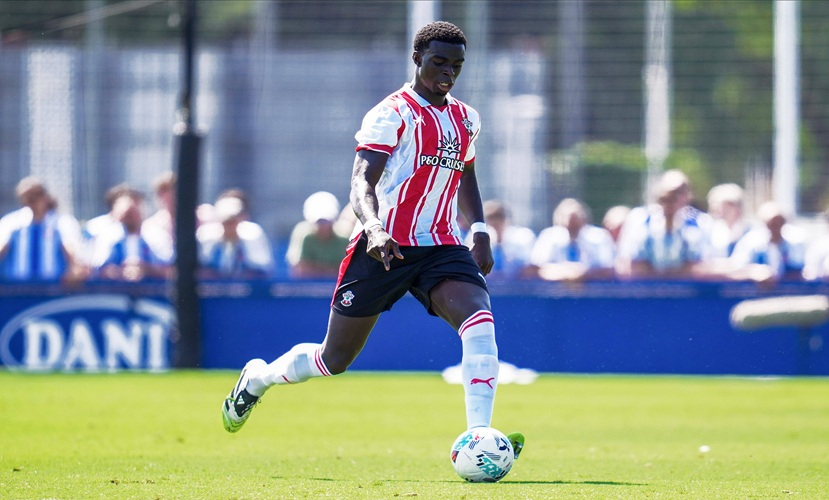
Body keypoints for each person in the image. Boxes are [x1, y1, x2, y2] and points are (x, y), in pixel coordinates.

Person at [221, 21, 524, 459]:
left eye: (456, 65)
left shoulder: (466, 118)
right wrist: (375, 228)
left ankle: (479, 438)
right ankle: (257, 379)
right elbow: (361, 182)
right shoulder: (391, 113)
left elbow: (466, 176)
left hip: (442, 245)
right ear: (417, 58)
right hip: (383, 247)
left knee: (480, 322)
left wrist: (478, 231)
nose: (448, 72)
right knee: (333, 359)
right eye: (438, 62)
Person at [616, 169, 712, 279]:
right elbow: (630, 265)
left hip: (689, 287)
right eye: (665, 198)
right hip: (646, 286)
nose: (670, 202)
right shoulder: (639, 219)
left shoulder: (701, 223)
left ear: (688, 196)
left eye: (678, 194)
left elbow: (704, 266)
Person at [0, 176, 85, 282]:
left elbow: (71, 249)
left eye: (35, 195)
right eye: (27, 197)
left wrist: (75, 268)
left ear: (46, 196)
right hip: (16, 287)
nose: (31, 200)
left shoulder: (62, 221)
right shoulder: (11, 222)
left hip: (53, 287)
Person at [531, 198, 615, 281]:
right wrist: (564, 272)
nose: (572, 227)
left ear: (584, 219)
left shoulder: (599, 237)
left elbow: (607, 268)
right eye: (568, 224)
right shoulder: (548, 236)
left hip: (593, 286)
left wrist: (582, 273)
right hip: (554, 286)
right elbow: (537, 267)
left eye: (575, 223)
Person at [95, 192, 171, 281]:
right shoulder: (106, 238)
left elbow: (171, 271)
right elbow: (95, 269)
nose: (131, 218)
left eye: (134, 212)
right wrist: (117, 272)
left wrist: (147, 269)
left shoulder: (157, 236)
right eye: (126, 214)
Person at [197, 194, 275, 279]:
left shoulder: (253, 234)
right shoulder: (206, 235)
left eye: (233, 221)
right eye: (226, 222)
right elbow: (200, 268)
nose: (230, 226)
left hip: (246, 286)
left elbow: (263, 270)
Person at [730, 201, 806, 282]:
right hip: (755, 289)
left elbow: (800, 268)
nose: (775, 226)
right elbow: (737, 266)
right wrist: (754, 272)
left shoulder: (794, 243)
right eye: (772, 223)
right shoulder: (751, 242)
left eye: (779, 222)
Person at [285, 191, 352, 279]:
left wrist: (316, 269)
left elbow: (347, 270)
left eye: (326, 221)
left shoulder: (344, 237)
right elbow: (299, 270)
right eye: (319, 222)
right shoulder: (303, 234)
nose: (322, 225)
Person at [465, 199, 535, 280]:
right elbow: (470, 263)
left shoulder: (523, 237)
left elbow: (529, 267)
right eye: (490, 218)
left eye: (499, 217)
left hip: (517, 284)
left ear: (507, 219)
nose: (495, 222)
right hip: (486, 283)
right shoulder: (475, 236)